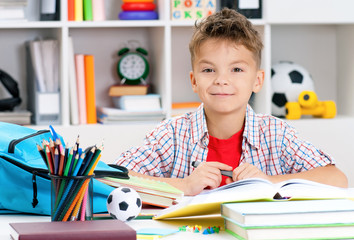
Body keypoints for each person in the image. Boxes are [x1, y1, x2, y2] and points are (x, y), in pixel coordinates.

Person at [115, 8, 348, 196]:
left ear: (257, 81)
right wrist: (184, 186)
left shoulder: (277, 134)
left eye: (236, 69)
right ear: (194, 81)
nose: (221, 80)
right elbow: (112, 178)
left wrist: (268, 182)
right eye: (209, 69)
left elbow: (336, 178)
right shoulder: (172, 134)